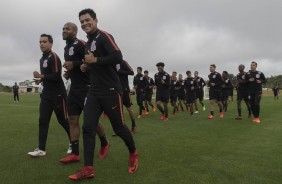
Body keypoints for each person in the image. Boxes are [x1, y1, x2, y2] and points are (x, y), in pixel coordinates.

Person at [69, 9, 138, 180]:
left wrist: (96, 61)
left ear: (96, 20)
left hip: (111, 91)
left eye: (87, 20)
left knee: (119, 128)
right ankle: (88, 168)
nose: (85, 23)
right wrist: (87, 66)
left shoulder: (104, 36)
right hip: (93, 91)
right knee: (87, 127)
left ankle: (133, 153)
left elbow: (118, 57)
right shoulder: (87, 43)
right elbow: (93, 63)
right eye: (82, 21)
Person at [59, 22, 110, 164]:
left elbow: (90, 60)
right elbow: (76, 65)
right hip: (74, 88)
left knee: (91, 121)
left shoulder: (81, 43)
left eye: (67, 29)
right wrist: (69, 72)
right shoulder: (66, 47)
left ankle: (105, 142)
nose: (64, 31)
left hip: (87, 88)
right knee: (72, 120)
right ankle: (75, 153)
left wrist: (74, 64)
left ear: (74, 32)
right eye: (63, 29)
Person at [27, 34, 71, 157]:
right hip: (46, 95)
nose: (41, 44)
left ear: (51, 44)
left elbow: (57, 76)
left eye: (44, 41)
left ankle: (73, 143)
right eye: (40, 42)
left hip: (58, 95)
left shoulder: (54, 57)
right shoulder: (42, 59)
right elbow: (48, 76)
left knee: (63, 121)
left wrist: (41, 76)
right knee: (43, 121)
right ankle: (41, 150)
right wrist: (40, 80)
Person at [116, 60, 137, 133]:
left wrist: (120, 71)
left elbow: (131, 72)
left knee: (128, 108)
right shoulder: (111, 63)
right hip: (115, 90)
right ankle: (120, 128)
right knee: (118, 110)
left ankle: (134, 125)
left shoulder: (123, 62)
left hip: (124, 90)